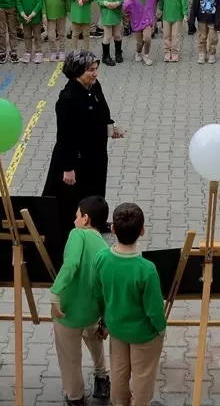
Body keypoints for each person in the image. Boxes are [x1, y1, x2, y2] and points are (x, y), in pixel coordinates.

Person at [42, 50, 123, 242]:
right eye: (90, 70)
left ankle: (95, 223)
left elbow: (102, 110)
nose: (95, 74)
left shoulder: (93, 86)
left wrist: (110, 128)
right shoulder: (67, 99)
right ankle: (68, 232)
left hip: (96, 154)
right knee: (72, 198)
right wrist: (68, 168)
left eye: (96, 69)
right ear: (77, 71)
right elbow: (65, 136)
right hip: (76, 159)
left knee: (96, 190)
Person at [94, 202, 167, 406]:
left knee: (119, 372)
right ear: (142, 231)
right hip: (143, 334)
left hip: (116, 328)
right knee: (142, 376)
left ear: (113, 229)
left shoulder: (101, 258)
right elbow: (154, 309)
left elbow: (99, 293)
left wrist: (105, 320)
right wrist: (161, 329)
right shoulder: (146, 269)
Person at [51, 195, 112, 406]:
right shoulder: (104, 247)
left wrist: (55, 293)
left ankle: (75, 396)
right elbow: (106, 288)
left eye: (77, 215)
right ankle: (102, 376)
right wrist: (105, 321)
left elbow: (71, 265)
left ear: (85, 218)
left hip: (67, 312)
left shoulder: (77, 234)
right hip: (92, 312)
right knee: (95, 339)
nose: (74, 219)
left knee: (70, 357)